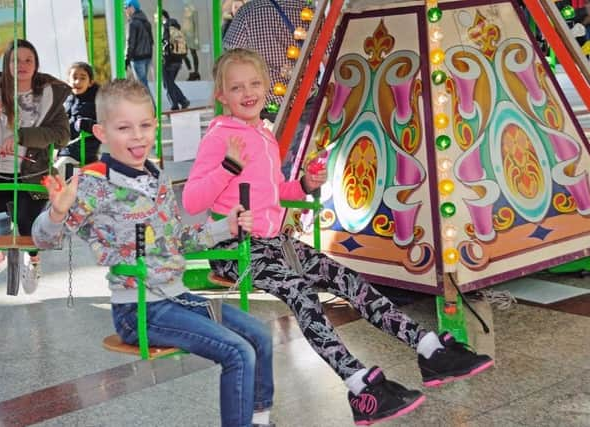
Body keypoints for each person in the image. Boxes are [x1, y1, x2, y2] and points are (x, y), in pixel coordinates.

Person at [182, 48, 495, 425]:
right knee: (303, 294)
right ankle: (359, 384)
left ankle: (430, 350)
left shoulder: (264, 134)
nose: (247, 93)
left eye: (254, 84)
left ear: (266, 87)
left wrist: (303, 185)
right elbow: (193, 198)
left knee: (350, 281)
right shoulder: (221, 137)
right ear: (221, 96)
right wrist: (228, 166)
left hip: (276, 242)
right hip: (237, 249)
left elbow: (273, 191)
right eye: (236, 87)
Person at [32, 78, 275, 427]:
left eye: (145, 125)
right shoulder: (92, 184)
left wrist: (226, 227)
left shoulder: (155, 176)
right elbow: (43, 240)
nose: (138, 136)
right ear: (101, 132)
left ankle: (259, 418)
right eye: (124, 128)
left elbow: (176, 239)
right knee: (238, 352)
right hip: (140, 308)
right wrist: (56, 212)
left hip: (180, 297)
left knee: (260, 336)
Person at [0, 39, 70, 294]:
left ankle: (33, 261)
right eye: (15, 60)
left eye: (28, 60)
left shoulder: (50, 94)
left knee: (26, 224)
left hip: (33, 174)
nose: (21, 65)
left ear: (36, 65)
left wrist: (22, 135)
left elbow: (62, 135)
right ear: (6, 64)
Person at [222, 0, 322, 179]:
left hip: (264, 110)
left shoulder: (248, 12)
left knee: (266, 169)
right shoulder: (311, 12)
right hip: (305, 104)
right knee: (298, 165)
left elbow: (230, 58)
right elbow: (330, 57)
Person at [55, 61, 101, 177]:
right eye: (74, 77)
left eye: (82, 78)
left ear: (90, 82)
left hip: (82, 151)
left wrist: (87, 124)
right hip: (66, 149)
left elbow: (104, 125)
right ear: (68, 81)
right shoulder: (67, 100)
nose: (77, 82)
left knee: (55, 172)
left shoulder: (96, 102)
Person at [163, 10, 190, 110]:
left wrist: (164, 58)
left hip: (169, 59)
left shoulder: (165, 27)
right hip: (178, 60)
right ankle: (183, 100)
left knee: (167, 83)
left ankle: (175, 104)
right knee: (170, 82)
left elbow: (165, 44)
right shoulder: (177, 28)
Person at [124, 0, 153, 93]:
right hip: (147, 57)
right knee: (143, 84)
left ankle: (151, 107)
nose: (125, 10)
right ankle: (150, 106)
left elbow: (130, 43)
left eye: (126, 7)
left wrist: (126, 59)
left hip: (137, 58)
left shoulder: (132, 23)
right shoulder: (146, 22)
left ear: (132, 8)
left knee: (142, 86)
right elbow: (151, 41)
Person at [181, 2, 201, 81]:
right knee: (183, 53)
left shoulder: (194, 12)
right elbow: (184, 24)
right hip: (185, 35)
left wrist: (196, 37)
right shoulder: (185, 12)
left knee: (193, 54)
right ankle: (190, 69)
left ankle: (195, 72)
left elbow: (196, 25)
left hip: (192, 36)